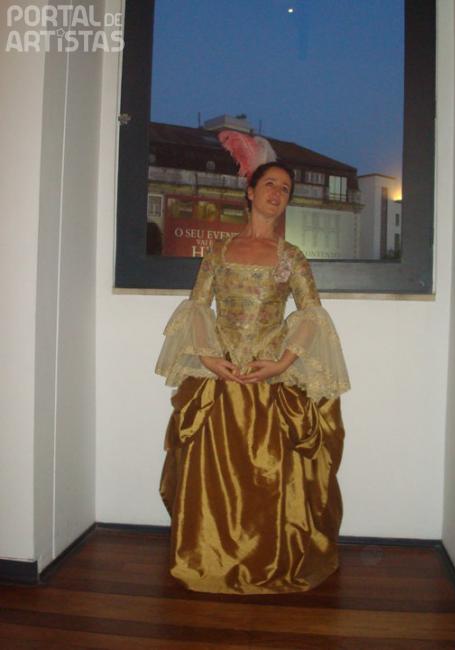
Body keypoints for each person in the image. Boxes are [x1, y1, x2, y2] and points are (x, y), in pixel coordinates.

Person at [155, 161, 350, 595]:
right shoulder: (219, 251)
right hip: (220, 376)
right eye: (270, 184)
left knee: (272, 476)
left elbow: (311, 315)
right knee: (214, 477)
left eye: (286, 188)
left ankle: (270, 558)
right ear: (250, 190)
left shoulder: (291, 256)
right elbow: (198, 307)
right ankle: (209, 557)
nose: (277, 193)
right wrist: (208, 358)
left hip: (270, 376)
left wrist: (282, 363)